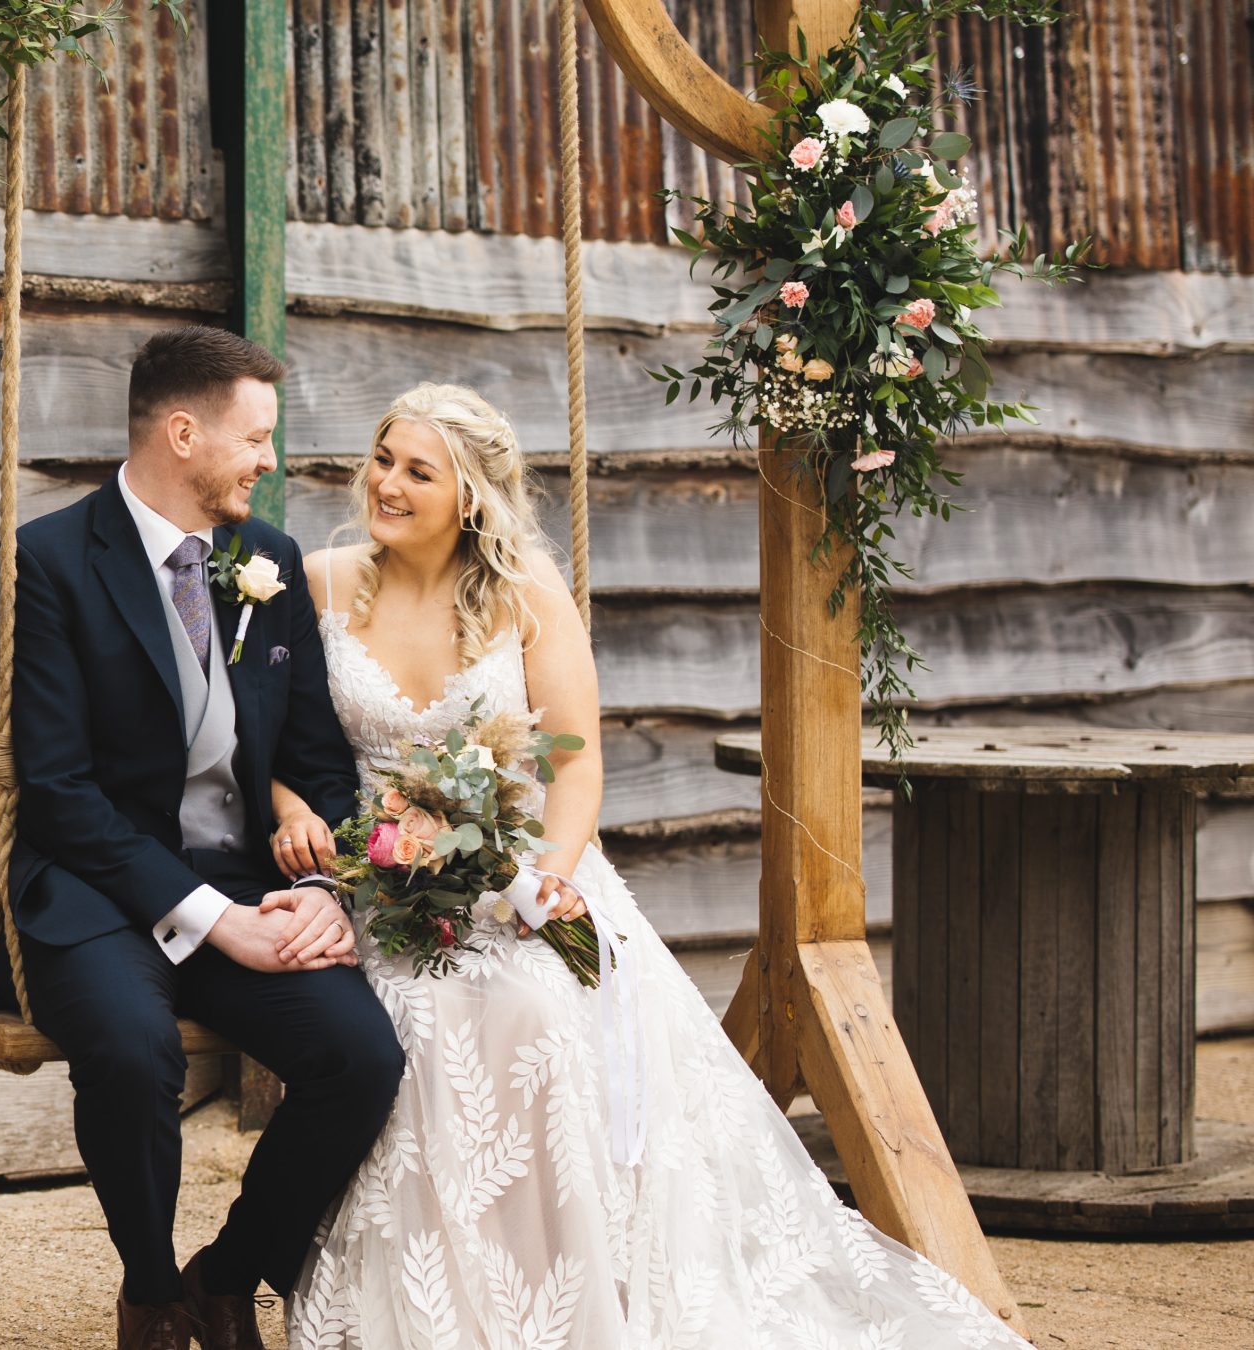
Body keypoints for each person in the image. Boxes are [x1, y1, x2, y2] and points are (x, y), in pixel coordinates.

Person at [280, 382, 1027, 1349]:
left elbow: (577, 760)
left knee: (537, 1005)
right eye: (382, 459)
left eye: (416, 471)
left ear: (470, 496)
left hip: (518, 864)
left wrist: (546, 875)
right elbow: (273, 735)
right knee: (413, 1019)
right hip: (380, 876)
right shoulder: (324, 581)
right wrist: (293, 806)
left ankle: (560, 1294)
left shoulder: (527, 599)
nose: (385, 483)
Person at [0, 325, 405, 1350]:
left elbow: (321, 760)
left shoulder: (267, 561)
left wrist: (325, 886)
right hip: (93, 893)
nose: (269, 462)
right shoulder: (44, 565)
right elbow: (56, 792)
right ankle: (151, 1292)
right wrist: (214, 924)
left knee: (360, 1055)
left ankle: (230, 1272)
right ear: (186, 433)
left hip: (245, 883)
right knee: (130, 1050)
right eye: (256, 439)